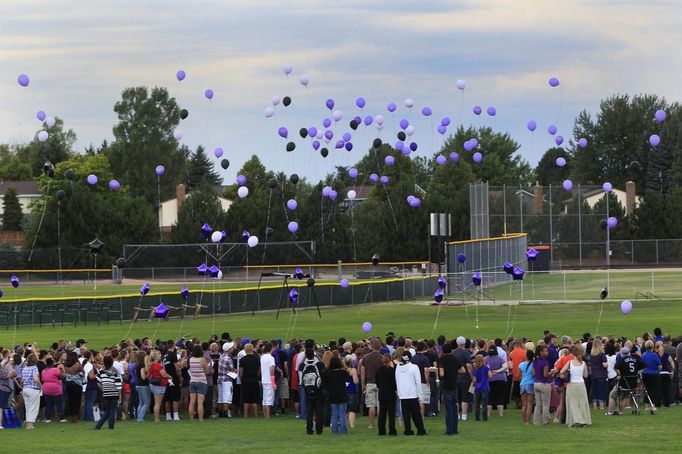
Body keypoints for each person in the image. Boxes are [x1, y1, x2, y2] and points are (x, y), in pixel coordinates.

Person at [395, 351, 426, 436]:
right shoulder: (414, 367)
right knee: (416, 414)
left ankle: (407, 430)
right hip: (412, 394)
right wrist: (420, 396)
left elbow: (397, 380)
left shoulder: (398, 367)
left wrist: (399, 393)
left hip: (403, 394)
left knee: (406, 414)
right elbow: (418, 383)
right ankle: (420, 430)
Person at [607, 347, 644, 415]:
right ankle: (620, 412)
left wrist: (619, 374)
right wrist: (636, 372)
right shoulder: (635, 359)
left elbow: (615, 367)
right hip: (633, 384)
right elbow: (643, 366)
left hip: (624, 383)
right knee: (624, 397)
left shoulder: (622, 360)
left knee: (612, 395)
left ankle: (610, 412)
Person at [561, 346, 591, 427]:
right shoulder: (583, 363)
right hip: (581, 384)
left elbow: (561, 371)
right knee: (582, 403)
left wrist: (567, 373)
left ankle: (574, 420)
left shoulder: (570, 362)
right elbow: (586, 375)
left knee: (572, 403)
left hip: (572, 384)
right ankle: (583, 420)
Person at [438, 342, 462, 435]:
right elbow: (462, 369)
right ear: (451, 350)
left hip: (447, 385)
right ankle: (455, 429)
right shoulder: (455, 359)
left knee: (449, 409)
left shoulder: (442, 360)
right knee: (454, 406)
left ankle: (449, 430)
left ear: (443, 350)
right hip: (454, 384)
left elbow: (442, 374)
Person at [299, 348, 324, 435]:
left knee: (309, 411)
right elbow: (323, 364)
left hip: (307, 390)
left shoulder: (304, 365)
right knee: (318, 411)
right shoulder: (318, 364)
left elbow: (300, 366)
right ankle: (319, 429)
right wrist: (317, 356)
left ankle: (309, 429)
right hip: (317, 390)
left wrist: (305, 357)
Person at [360, 338, 383, 429]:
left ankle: (371, 424)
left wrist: (362, 385)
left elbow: (362, 373)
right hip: (380, 383)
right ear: (380, 347)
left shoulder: (366, 357)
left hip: (370, 383)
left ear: (372, 346)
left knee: (371, 405)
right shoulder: (382, 357)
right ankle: (381, 423)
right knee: (380, 405)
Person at [95, 355, 123, 430]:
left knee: (107, 411)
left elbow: (97, 381)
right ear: (112, 362)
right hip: (114, 392)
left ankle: (98, 425)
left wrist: (103, 388)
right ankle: (110, 426)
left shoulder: (101, 371)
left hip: (106, 392)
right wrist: (119, 394)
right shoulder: (115, 371)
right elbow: (118, 384)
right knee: (112, 411)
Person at [325, 357, 349, 435]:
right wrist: (344, 365)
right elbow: (348, 373)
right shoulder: (342, 372)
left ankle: (334, 431)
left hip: (332, 395)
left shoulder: (328, 373)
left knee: (334, 414)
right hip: (342, 395)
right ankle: (343, 431)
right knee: (342, 414)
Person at [375, 354, 397, 436]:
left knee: (382, 413)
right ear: (390, 360)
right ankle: (392, 430)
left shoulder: (378, 370)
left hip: (382, 393)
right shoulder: (392, 370)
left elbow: (377, 382)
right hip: (391, 393)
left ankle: (381, 430)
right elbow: (394, 383)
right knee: (391, 413)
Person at [452, 337, 473, 421]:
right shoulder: (466, 353)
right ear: (464, 343)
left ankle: (457, 415)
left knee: (456, 397)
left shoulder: (453, 353)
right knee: (465, 396)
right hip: (465, 378)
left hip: (455, 377)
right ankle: (464, 415)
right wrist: (472, 376)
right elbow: (468, 366)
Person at [484, 346, 508, 418]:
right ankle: (500, 414)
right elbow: (505, 367)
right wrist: (498, 371)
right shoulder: (500, 358)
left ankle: (488, 414)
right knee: (500, 398)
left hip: (489, 379)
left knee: (490, 398)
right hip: (501, 379)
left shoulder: (485, 359)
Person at [187, 344, 209, 421]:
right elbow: (207, 371)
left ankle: (191, 418)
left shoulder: (191, 359)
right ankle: (200, 419)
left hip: (192, 381)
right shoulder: (202, 360)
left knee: (192, 402)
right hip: (201, 381)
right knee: (200, 402)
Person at [147, 350, 170, 422]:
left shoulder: (151, 364)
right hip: (159, 385)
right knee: (158, 403)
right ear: (155, 356)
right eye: (159, 354)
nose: (160, 355)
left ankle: (156, 418)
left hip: (153, 384)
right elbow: (164, 375)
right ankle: (156, 418)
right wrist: (170, 376)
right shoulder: (158, 365)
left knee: (156, 403)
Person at [41, 358, 66, 423]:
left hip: (46, 388)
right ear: (52, 363)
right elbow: (62, 377)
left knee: (48, 404)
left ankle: (48, 418)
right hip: (56, 388)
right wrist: (63, 372)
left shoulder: (43, 371)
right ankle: (61, 418)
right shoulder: (56, 370)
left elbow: (43, 379)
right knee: (59, 403)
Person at [239, 343, 261, 418]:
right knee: (255, 399)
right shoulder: (257, 358)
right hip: (254, 379)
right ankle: (256, 415)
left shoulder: (243, 359)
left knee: (246, 399)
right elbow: (259, 370)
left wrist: (243, 378)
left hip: (245, 380)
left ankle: (245, 415)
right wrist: (256, 376)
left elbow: (241, 371)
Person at [21, 354, 42, 429]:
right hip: (33, 389)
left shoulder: (25, 368)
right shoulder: (34, 368)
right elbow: (36, 379)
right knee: (33, 407)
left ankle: (28, 424)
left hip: (25, 388)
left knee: (28, 407)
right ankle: (30, 425)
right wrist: (41, 386)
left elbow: (22, 380)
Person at [532, 345, 551, 425]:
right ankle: (545, 420)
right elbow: (546, 375)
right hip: (543, 383)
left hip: (536, 383)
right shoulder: (545, 362)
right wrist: (552, 372)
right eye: (545, 351)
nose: (547, 353)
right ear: (541, 352)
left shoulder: (535, 361)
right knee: (546, 404)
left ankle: (536, 421)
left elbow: (533, 373)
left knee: (538, 404)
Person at [641, 340, 661, 410]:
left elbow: (641, 364)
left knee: (647, 389)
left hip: (645, 373)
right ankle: (653, 405)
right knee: (654, 390)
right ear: (653, 346)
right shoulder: (654, 355)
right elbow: (659, 366)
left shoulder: (643, 355)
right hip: (654, 374)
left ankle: (647, 406)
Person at [163, 345, 182, 421]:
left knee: (167, 398)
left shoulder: (165, 355)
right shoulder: (173, 355)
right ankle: (176, 415)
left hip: (166, 377)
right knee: (175, 397)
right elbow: (176, 368)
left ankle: (168, 416)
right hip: (173, 377)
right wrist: (180, 376)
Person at [63, 352, 83, 423]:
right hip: (77, 384)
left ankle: (71, 417)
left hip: (68, 384)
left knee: (71, 401)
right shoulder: (77, 365)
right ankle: (76, 418)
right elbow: (83, 373)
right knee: (77, 401)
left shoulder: (66, 366)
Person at [589, 339, 608, 410]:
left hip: (594, 375)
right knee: (601, 390)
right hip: (601, 374)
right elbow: (605, 365)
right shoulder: (602, 355)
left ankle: (594, 406)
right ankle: (601, 406)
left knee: (595, 391)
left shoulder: (591, 355)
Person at [217, 342, 235, 418]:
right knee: (226, 397)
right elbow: (232, 369)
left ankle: (220, 412)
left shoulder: (221, 356)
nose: (232, 349)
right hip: (227, 379)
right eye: (231, 348)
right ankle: (226, 412)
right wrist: (235, 371)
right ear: (228, 349)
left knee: (220, 398)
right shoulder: (228, 358)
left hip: (220, 379)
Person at [260, 342, 277, 419]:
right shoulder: (271, 358)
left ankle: (265, 414)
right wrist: (273, 382)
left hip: (264, 379)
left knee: (265, 398)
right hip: (269, 380)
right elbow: (272, 370)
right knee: (269, 398)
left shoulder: (262, 357)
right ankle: (267, 415)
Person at [472, 354, 490, 421]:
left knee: (477, 403)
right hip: (485, 387)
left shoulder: (475, 369)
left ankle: (477, 417)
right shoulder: (486, 368)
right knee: (484, 404)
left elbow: (474, 379)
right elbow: (490, 375)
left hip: (477, 387)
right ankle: (485, 418)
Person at [518, 349, 535, 425]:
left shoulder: (521, 364)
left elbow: (519, 376)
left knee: (524, 404)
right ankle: (527, 422)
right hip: (530, 383)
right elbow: (534, 374)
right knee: (529, 404)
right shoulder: (533, 364)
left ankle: (524, 421)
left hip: (522, 384)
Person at [343, 355, 359, 429]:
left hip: (344, 390)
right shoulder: (353, 370)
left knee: (344, 409)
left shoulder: (342, 370)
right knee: (352, 409)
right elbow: (355, 381)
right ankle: (352, 424)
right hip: (351, 390)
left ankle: (344, 423)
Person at [0, 356, 16, 429]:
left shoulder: (2, 370)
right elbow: (10, 375)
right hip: (2, 390)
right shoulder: (2, 371)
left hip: (3, 390)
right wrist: (9, 365)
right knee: (0, 408)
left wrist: (7, 363)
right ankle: (0, 424)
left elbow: (13, 374)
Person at [135, 351, 151, 422]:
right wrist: (148, 375)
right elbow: (143, 377)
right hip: (143, 385)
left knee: (141, 403)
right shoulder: (142, 366)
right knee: (147, 403)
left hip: (138, 385)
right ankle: (140, 418)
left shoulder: (137, 365)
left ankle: (138, 416)